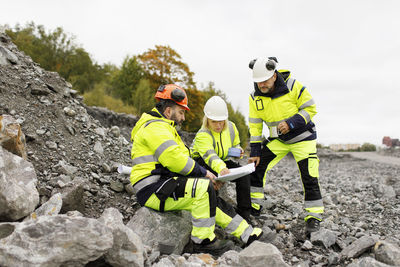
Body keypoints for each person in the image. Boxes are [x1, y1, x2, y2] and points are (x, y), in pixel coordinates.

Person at [130, 84, 262, 255]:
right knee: (203, 189)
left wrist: (204, 177)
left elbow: (180, 160)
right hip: (152, 190)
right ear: (169, 111)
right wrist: (204, 173)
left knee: (208, 194)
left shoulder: (164, 128)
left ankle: (246, 233)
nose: (183, 117)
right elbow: (175, 160)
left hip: (162, 184)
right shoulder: (155, 128)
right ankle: (203, 241)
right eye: (181, 112)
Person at [247, 57, 324, 235]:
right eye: (258, 82)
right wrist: (256, 151)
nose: (261, 85)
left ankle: (314, 217)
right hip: (279, 142)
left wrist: (291, 123)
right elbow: (255, 127)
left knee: (309, 176)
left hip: (303, 139)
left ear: (274, 75)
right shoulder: (254, 97)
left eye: (265, 81)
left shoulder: (293, 86)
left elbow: (310, 108)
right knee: (256, 167)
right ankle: (254, 206)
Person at [191, 96, 252, 222]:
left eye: (221, 121)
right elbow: (210, 156)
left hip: (221, 161)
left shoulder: (231, 127)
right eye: (214, 122)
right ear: (207, 119)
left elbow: (235, 144)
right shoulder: (202, 134)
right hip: (201, 163)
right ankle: (216, 213)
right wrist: (222, 169)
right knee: (211, 183)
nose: (218, 125)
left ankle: (244, 214)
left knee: (244, 176)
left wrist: (238, 150)